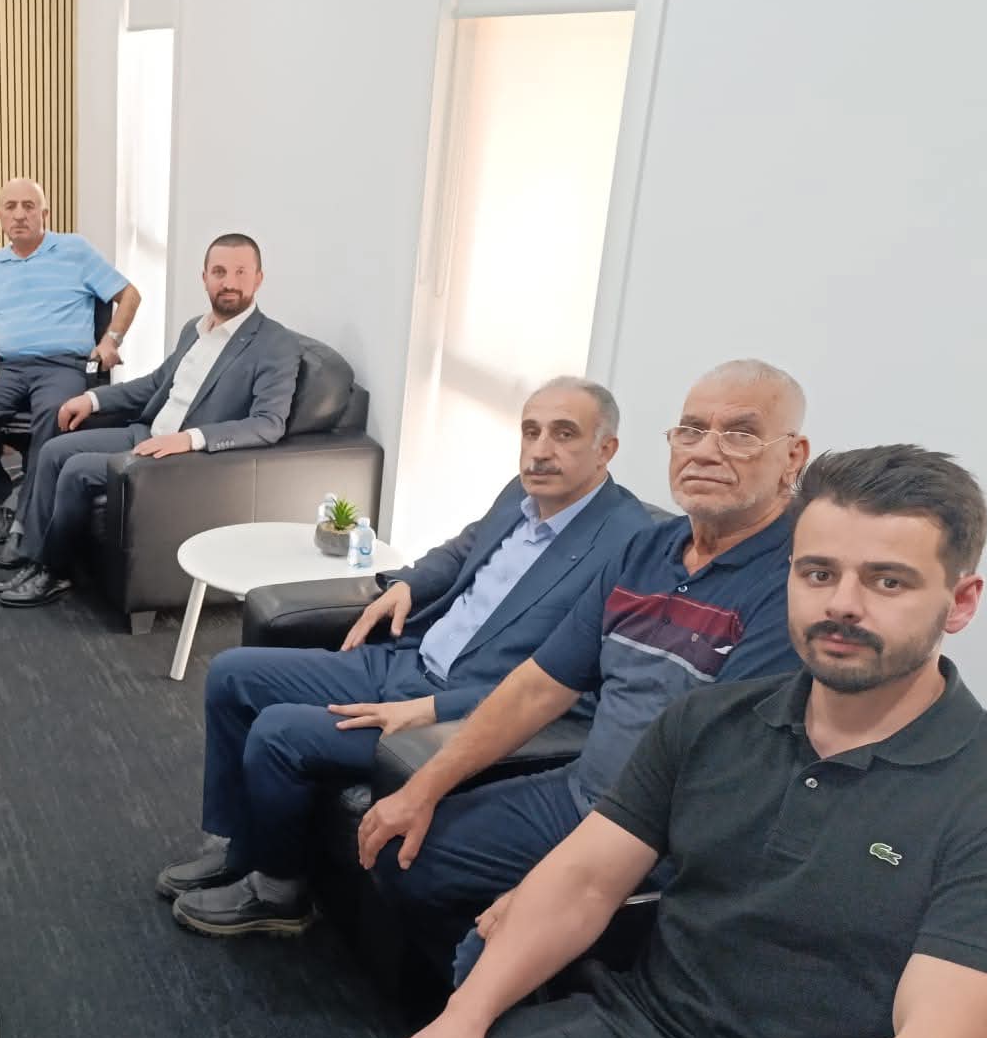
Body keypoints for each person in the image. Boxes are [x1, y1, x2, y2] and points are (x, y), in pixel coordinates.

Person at [325, 444, 987, 1038]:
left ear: (959, 602)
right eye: (819, 572)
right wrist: (464, 1017)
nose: (843, 604)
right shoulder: (709, 724)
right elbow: (583, 880)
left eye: (887, 581)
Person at [322, 359, 810, 973]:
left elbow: (713, 777)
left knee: (495, 947)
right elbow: (537, 688)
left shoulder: (794, 585)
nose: (706, 451)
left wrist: (549, 883)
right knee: (404, 856)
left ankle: (505, 997)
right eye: (691, 430)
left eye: (740, 434)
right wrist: (421, 789)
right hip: (579, 794)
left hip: (665, 842)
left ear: (793, 457)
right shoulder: (645, 551)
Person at [163, 377, 653, 935]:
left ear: (605, 448)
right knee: (231, 674)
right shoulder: (522, 494)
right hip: (407, 659)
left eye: (564, 434)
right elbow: (464, 549)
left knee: (278, 732)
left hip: (454, 711)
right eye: (531, 431)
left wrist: (432, 710)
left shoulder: (628, 545)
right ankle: (238, 844)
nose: (540, 450)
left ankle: (278, 892)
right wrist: (408, 585)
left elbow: (584, 692)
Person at [0, 233, 301, 606]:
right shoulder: (195, 329)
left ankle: (54, 572)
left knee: (76, 469)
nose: (229, 282)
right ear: (204, 277)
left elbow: (268, 423)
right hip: (147, 433)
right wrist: (92, 399)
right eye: (219, 272)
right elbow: (156, 384)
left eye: (240, 272)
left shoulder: (275, 343)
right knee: (54, 450)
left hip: (183, 456)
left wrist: (190, 439)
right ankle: (35, 558)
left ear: (259, 278)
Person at [0, 176, 141, 545]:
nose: (19, 215)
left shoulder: (74, 250)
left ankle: (28, 515)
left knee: (54, 413)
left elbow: (130, 295)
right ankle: (1, 498)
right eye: (10, 207)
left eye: (29, 206)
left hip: (62, 365)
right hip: (8, 367)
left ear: (45, 214)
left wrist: (111, 340)